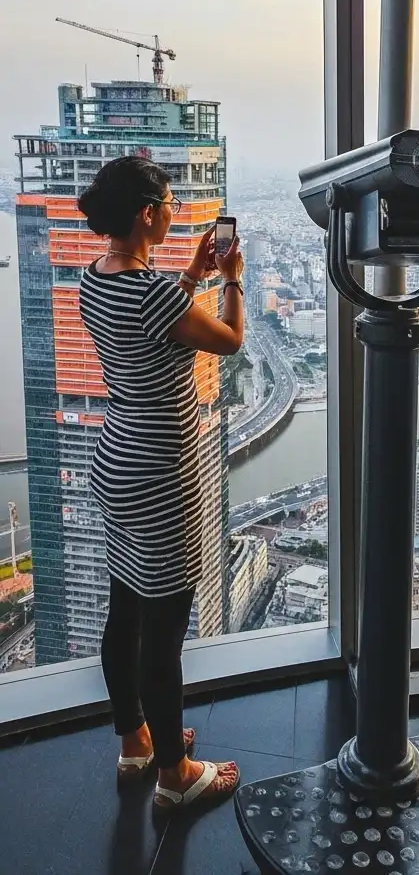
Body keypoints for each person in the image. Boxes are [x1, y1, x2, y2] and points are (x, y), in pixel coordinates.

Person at [77, 155, 244, 814]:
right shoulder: (149, 294)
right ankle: (177, 775)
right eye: (171, 203)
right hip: (160, 472)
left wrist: (194, 273)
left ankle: (137, 742)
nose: (178, 212)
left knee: (125, 614)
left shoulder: (98, 278)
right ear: (149, 215)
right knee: (165, 630)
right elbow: (228, 340)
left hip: (116, 462)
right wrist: (231, 279)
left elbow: (151, 319)